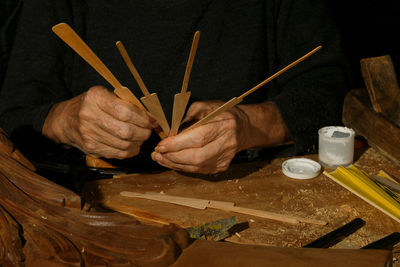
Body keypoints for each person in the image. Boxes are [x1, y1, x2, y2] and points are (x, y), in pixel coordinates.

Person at [0, 0, 349, 175]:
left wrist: (249, 125)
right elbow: (15, 111)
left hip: (246, 183)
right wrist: (64, 120)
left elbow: (326, 90)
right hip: (93, 195)